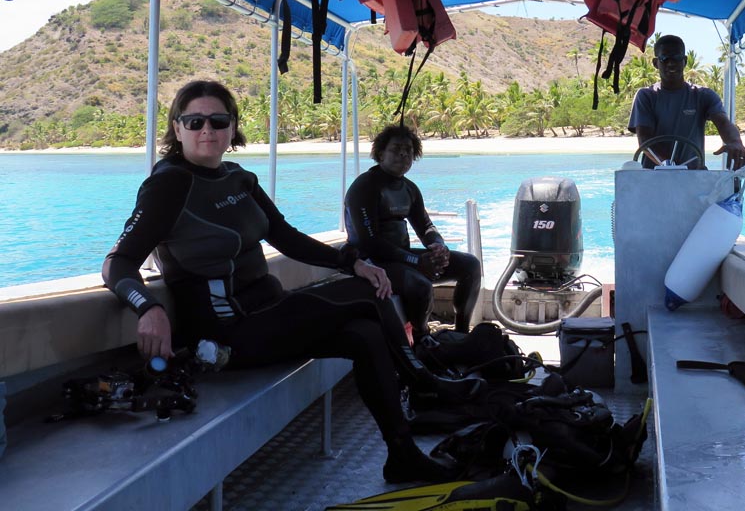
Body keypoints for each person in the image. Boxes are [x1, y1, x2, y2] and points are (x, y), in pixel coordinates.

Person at [102, 80, 478, 484]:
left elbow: (285, 236)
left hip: (267, 314)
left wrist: (351, 261)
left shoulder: (239, 178)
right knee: (368, 296)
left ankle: (401, 453)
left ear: (232, 127)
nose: (206, 130)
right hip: (224, 333)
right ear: (177, 129)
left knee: (365, 334)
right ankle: (424, 383)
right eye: (194, 121)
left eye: (218, 120)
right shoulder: (169, 185)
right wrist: (150, 307)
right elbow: (117, 265)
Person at [344, 125, 481, 342]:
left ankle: (461, 333)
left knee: (470, 265)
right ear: (380, 154)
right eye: (396, 149)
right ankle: (422, 340)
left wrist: (438, 246)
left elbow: (425, 225)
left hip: (402, 258)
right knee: (420, 285)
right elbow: (368, 242)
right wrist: (415, 260)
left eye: (408, 150)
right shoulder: (365, 187)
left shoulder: (409, 189)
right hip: (371, 262)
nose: (403, 154)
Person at [628, 34, 745, 170]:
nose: (671, 63)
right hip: (655, 179)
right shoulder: (646, 96)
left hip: (693, 178)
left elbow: (723, 122)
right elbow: (645, 140)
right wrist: (669, 166)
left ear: (684, 61)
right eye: (664, 58)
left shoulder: (704, 95)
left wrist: (735, 142)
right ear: (656, 63)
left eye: (677, 58)